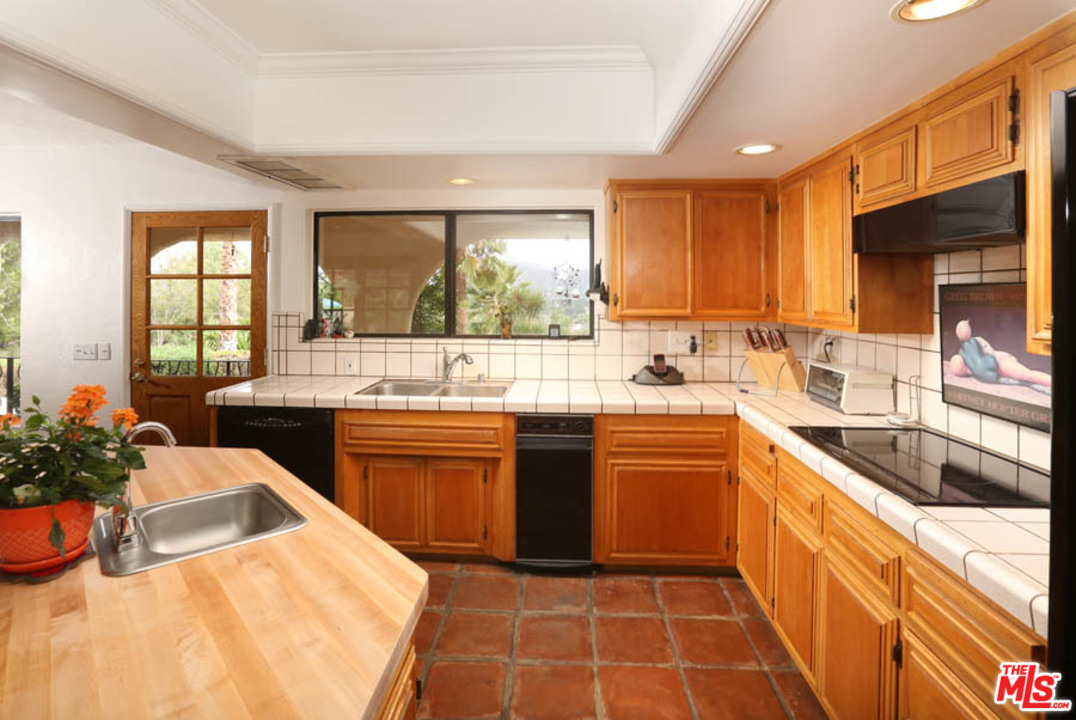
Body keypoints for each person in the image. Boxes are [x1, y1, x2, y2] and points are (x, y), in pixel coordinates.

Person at [949, 319, 1051, 393]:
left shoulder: (963, 351)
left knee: (1027, 376)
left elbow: (959, 368)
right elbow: (991, 354)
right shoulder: (976, 341)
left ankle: (1051, 384)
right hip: (999, 363)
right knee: (1028, 375)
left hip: (999, 364)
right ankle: (1052, 384)